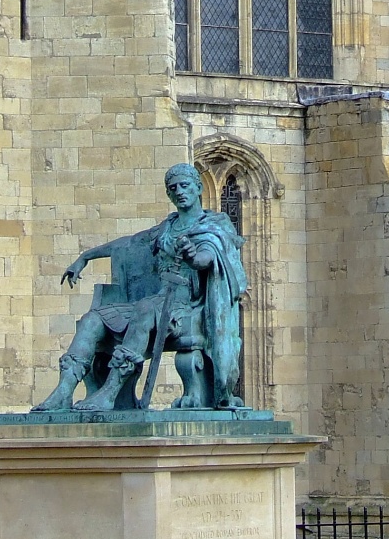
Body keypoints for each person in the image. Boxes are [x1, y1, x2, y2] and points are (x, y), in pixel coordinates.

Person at [32, 163, 247, 411]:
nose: (179, 191)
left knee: (144, 309)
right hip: (157, 302)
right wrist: (86, 256)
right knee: (93, 319)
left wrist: (192, 256)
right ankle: (63, 391)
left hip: (185, 308)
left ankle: (109, 393)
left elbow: (207, 259)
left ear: (198, 188)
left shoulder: (213, 228)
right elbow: (128, 243)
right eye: (173, 188)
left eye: (184, 185)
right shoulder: (166, 228)